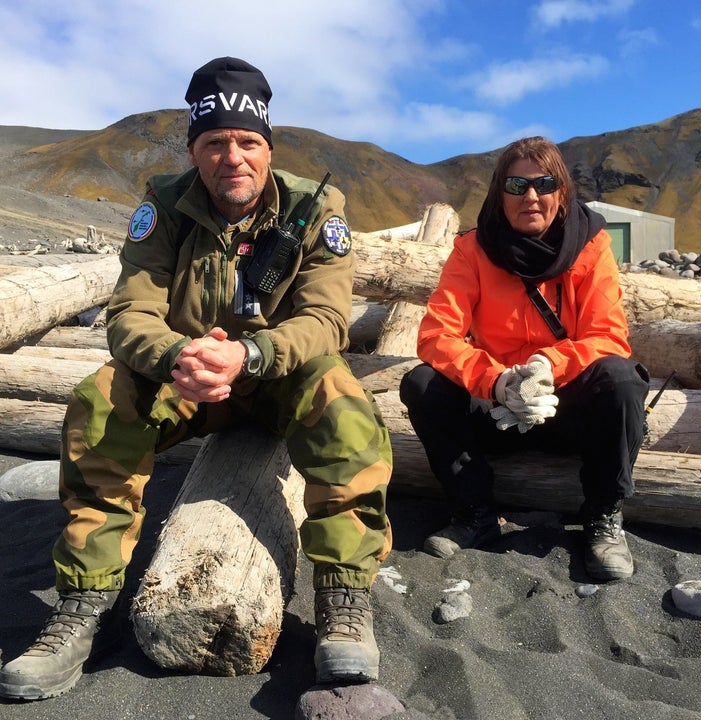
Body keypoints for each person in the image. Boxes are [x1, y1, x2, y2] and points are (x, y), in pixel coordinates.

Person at [0, 57, 392, 701]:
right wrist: (177, 359)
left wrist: (252, 356)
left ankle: (343, 598)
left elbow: (326, 319)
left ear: (268, 148)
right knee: (101, 399)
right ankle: (80, 608)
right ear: (194, 150)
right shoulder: (164, 206)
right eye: (214, 143)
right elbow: (130, 312)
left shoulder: (316, 208)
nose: (231, 157)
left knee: (342, 400)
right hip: (187, 381)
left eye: (247, 142)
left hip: (277, 376)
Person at [399, 136, 648, 580]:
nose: (530, 196)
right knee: (421, 384)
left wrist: (546, 369)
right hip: (497, 411)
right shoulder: (472, 250)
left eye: (543, 183)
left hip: (565, 410)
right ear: (500, 194)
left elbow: (608, 337)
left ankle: (603, 518)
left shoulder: (591, 247)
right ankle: (475, 513)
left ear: (562, 192)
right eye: (516, 185)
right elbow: (436, 335)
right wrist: (496, 381)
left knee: (623, 379)